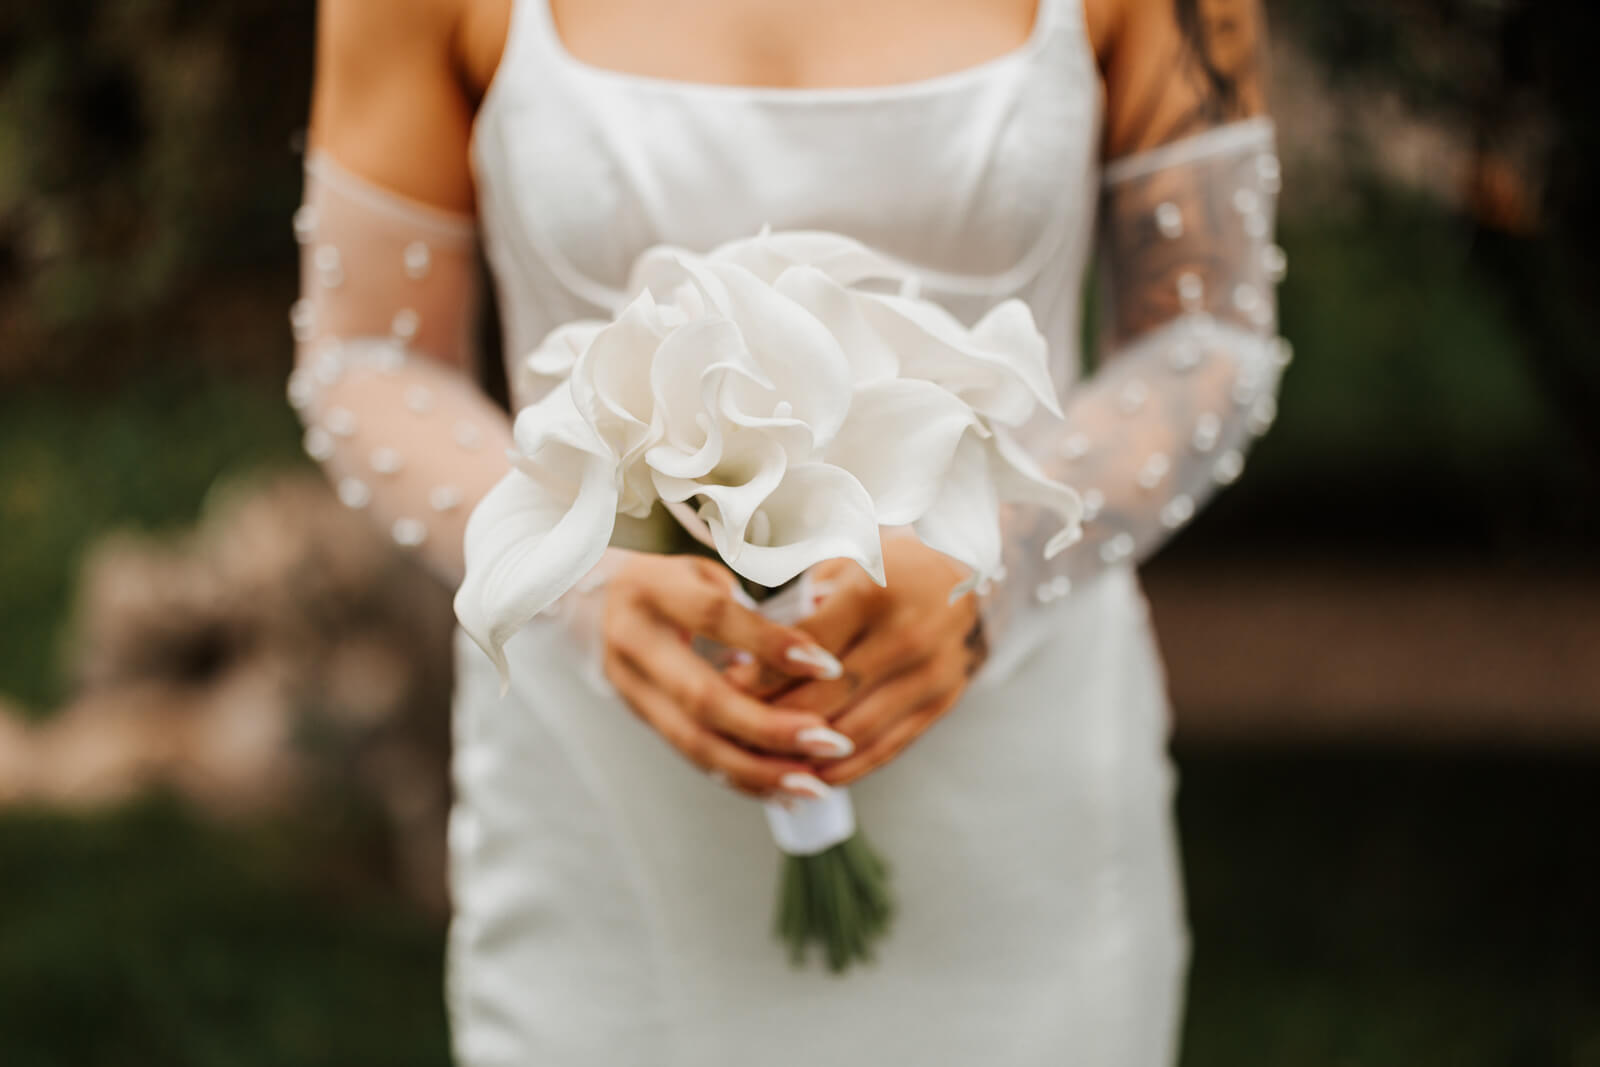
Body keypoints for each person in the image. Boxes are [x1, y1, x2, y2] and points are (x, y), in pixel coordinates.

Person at [288, 0, 1285, 1062]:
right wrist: (581, 587)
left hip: (1016, 773)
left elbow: (1205, 329)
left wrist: (996, 564)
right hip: (604, 786)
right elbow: (368, 358)